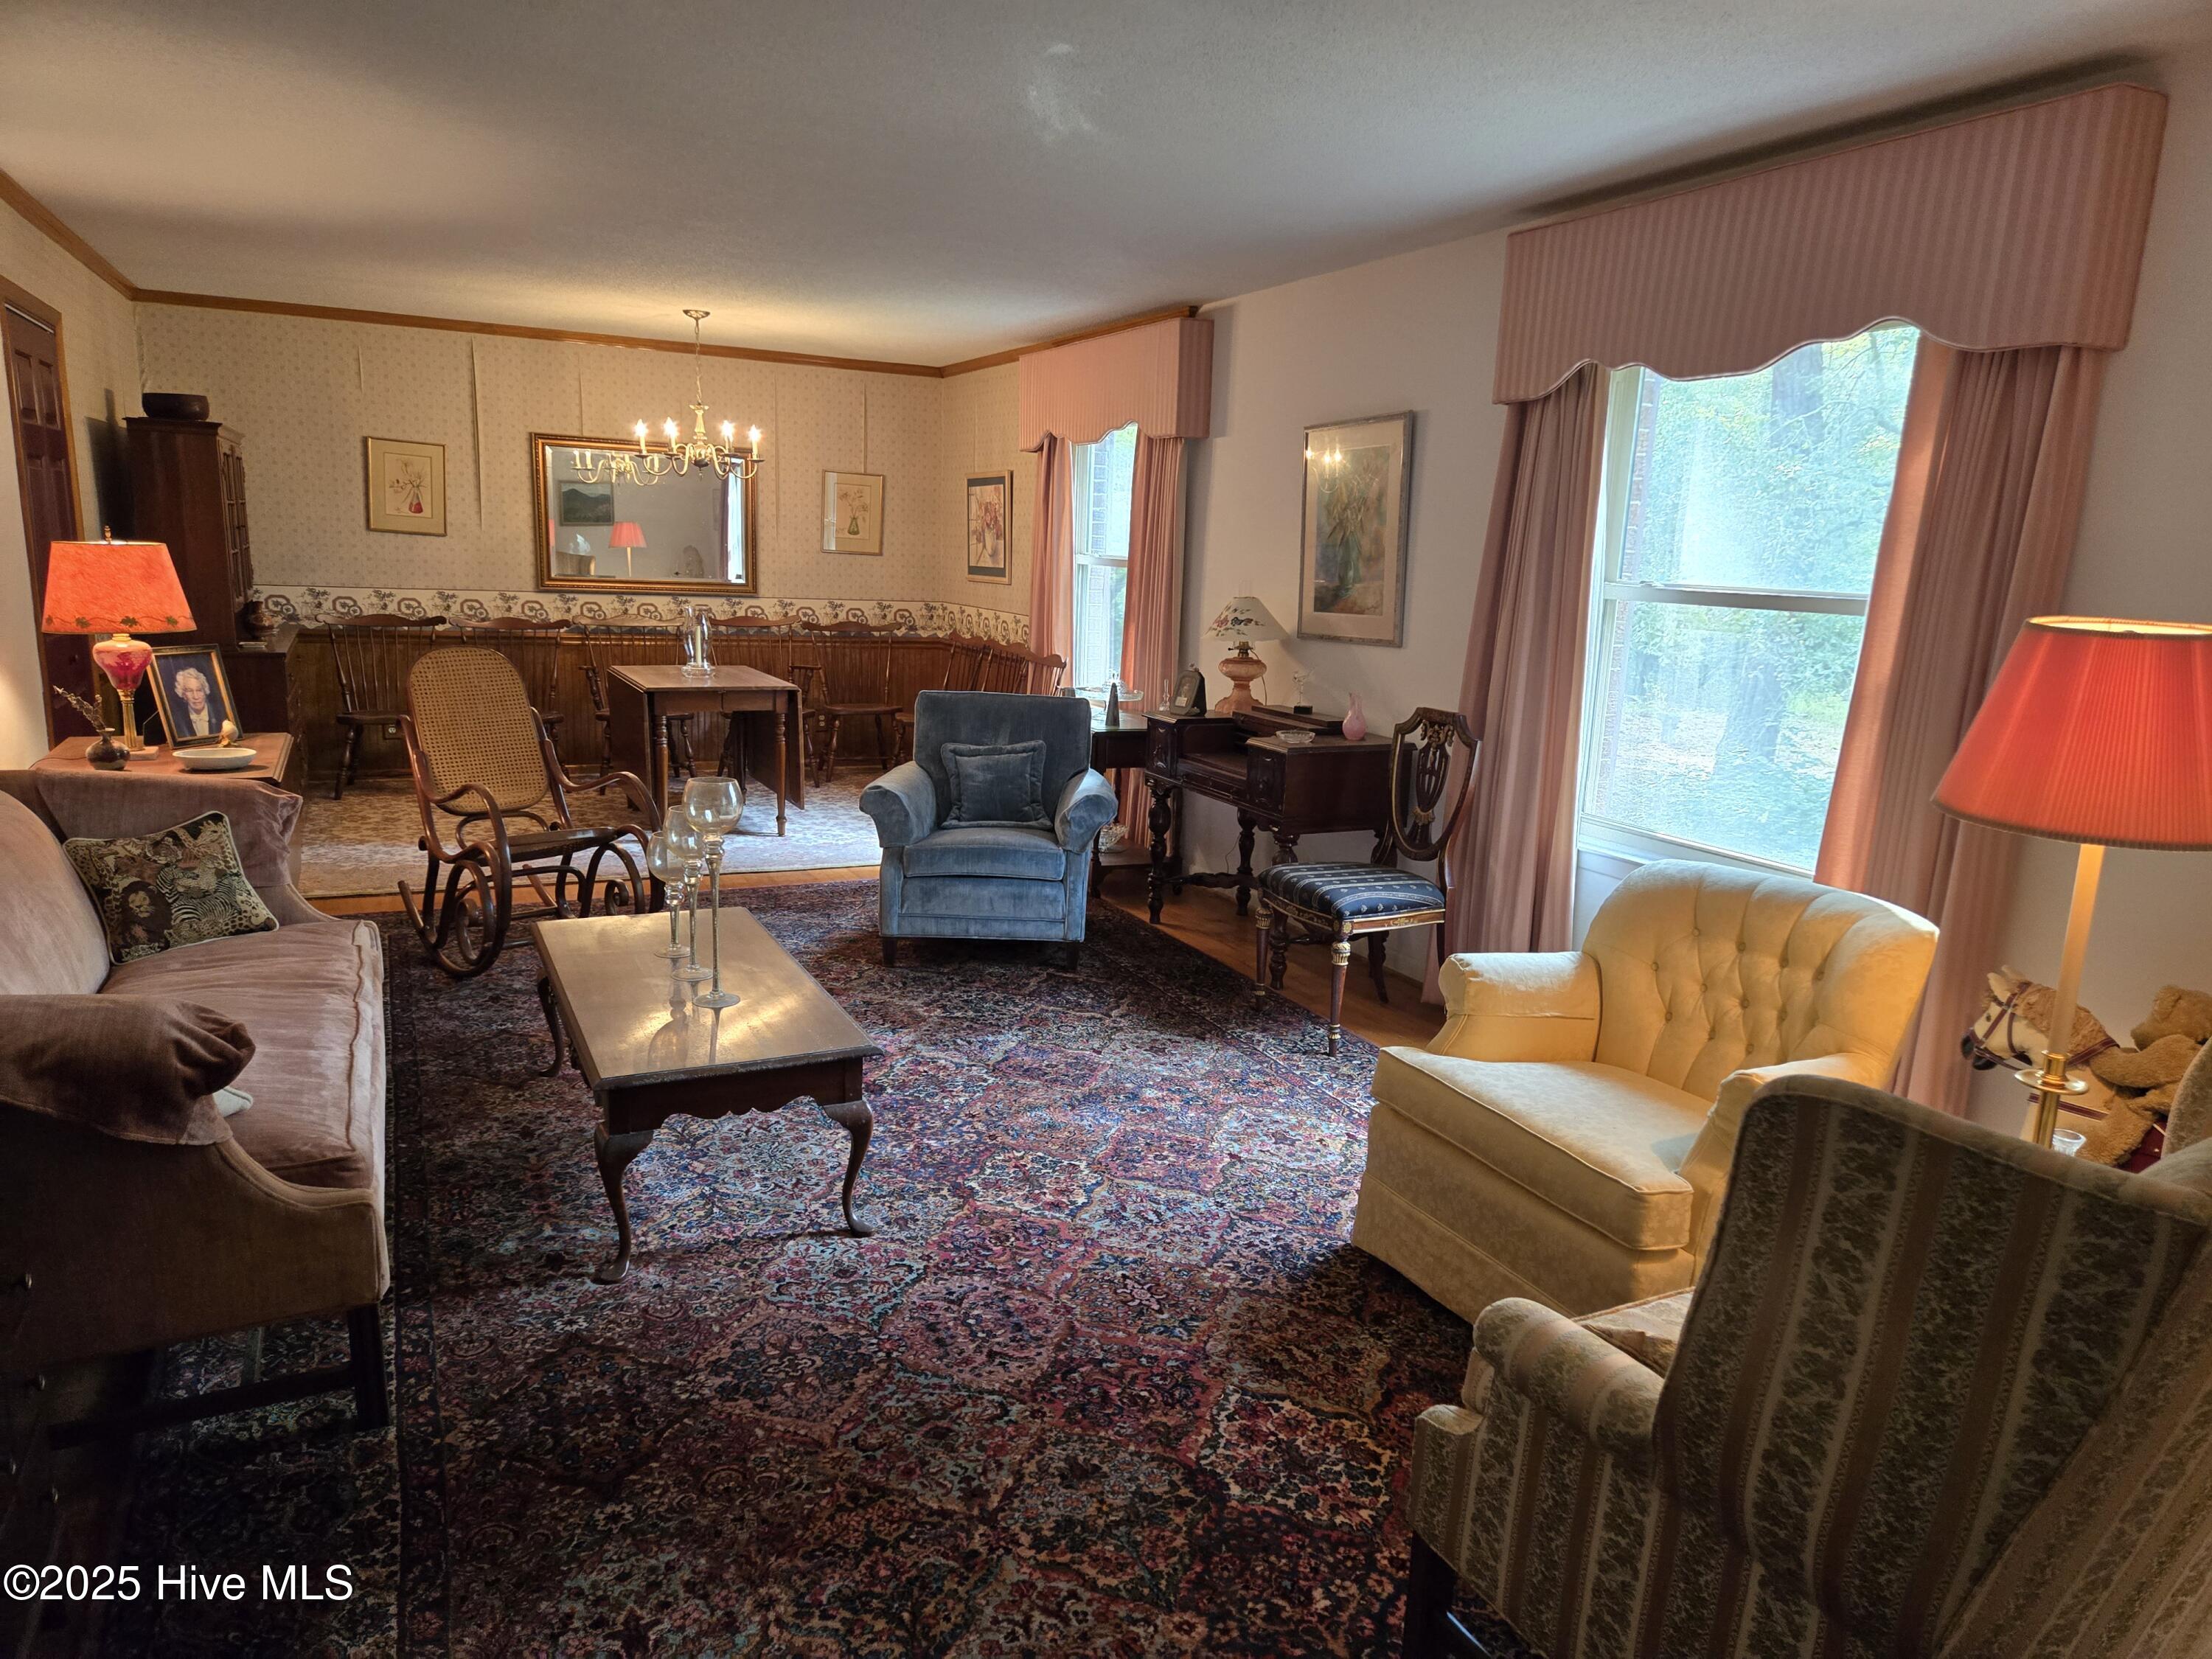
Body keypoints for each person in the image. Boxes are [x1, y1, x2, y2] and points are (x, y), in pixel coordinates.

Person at [170, 664, 218, 738]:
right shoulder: (176, 722)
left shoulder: (220, 714)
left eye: (199, 690)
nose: (196, 696)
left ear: (205, 691)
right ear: (183, 694)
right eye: (189, 691)